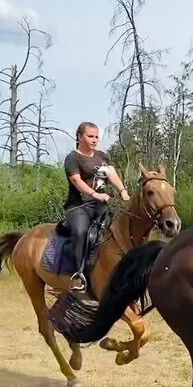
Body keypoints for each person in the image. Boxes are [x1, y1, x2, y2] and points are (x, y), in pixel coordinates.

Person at [63, 122, 130, 292]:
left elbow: (111, 174)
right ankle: (78, 274)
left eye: (96, 136)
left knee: (120, 230)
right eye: (90, 136)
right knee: (81, 232)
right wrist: (95, 194)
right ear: (80, 137)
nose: (94, 140)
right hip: (79, 207)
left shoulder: (101, 156)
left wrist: (122, 191)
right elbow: (77, 181)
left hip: (101, 206)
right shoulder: (73, 158)